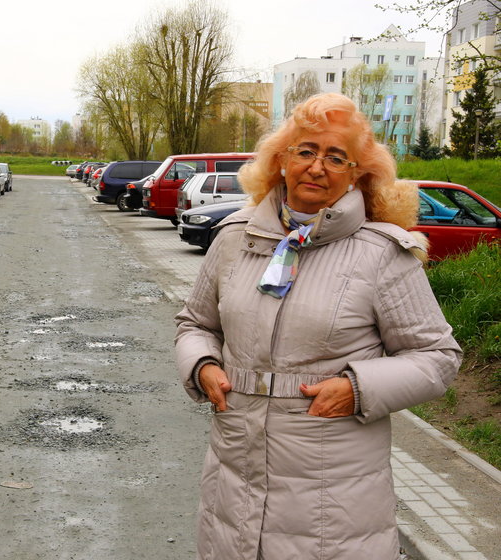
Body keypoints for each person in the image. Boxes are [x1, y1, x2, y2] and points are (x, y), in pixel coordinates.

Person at [174, 92, 461, 560]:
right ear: (281, 160)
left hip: (333, 497)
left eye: (335, 157)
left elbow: (438, 357)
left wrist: (358, 387)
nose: (317, 166)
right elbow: (195, 323)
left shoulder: (382, 253)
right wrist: (202, 365)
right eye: (306, 151)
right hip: (234, 479)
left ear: (356, 173)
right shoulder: (234, 238)